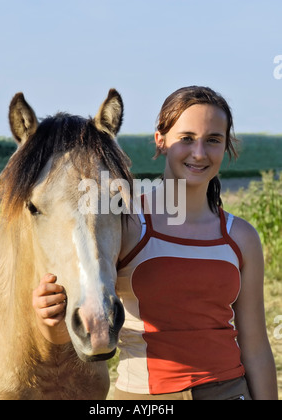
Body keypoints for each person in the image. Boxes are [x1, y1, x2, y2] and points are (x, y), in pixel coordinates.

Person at [33, 86, 278, 400]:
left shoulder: (240, 236)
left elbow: (256, 347)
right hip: (143, 399)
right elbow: (68, 333)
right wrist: (48, 316)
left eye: (213, 140)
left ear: (227, 146)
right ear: (160, 140)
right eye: (186, 138)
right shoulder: (125, 222)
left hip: (229, 392)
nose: (199, 153)